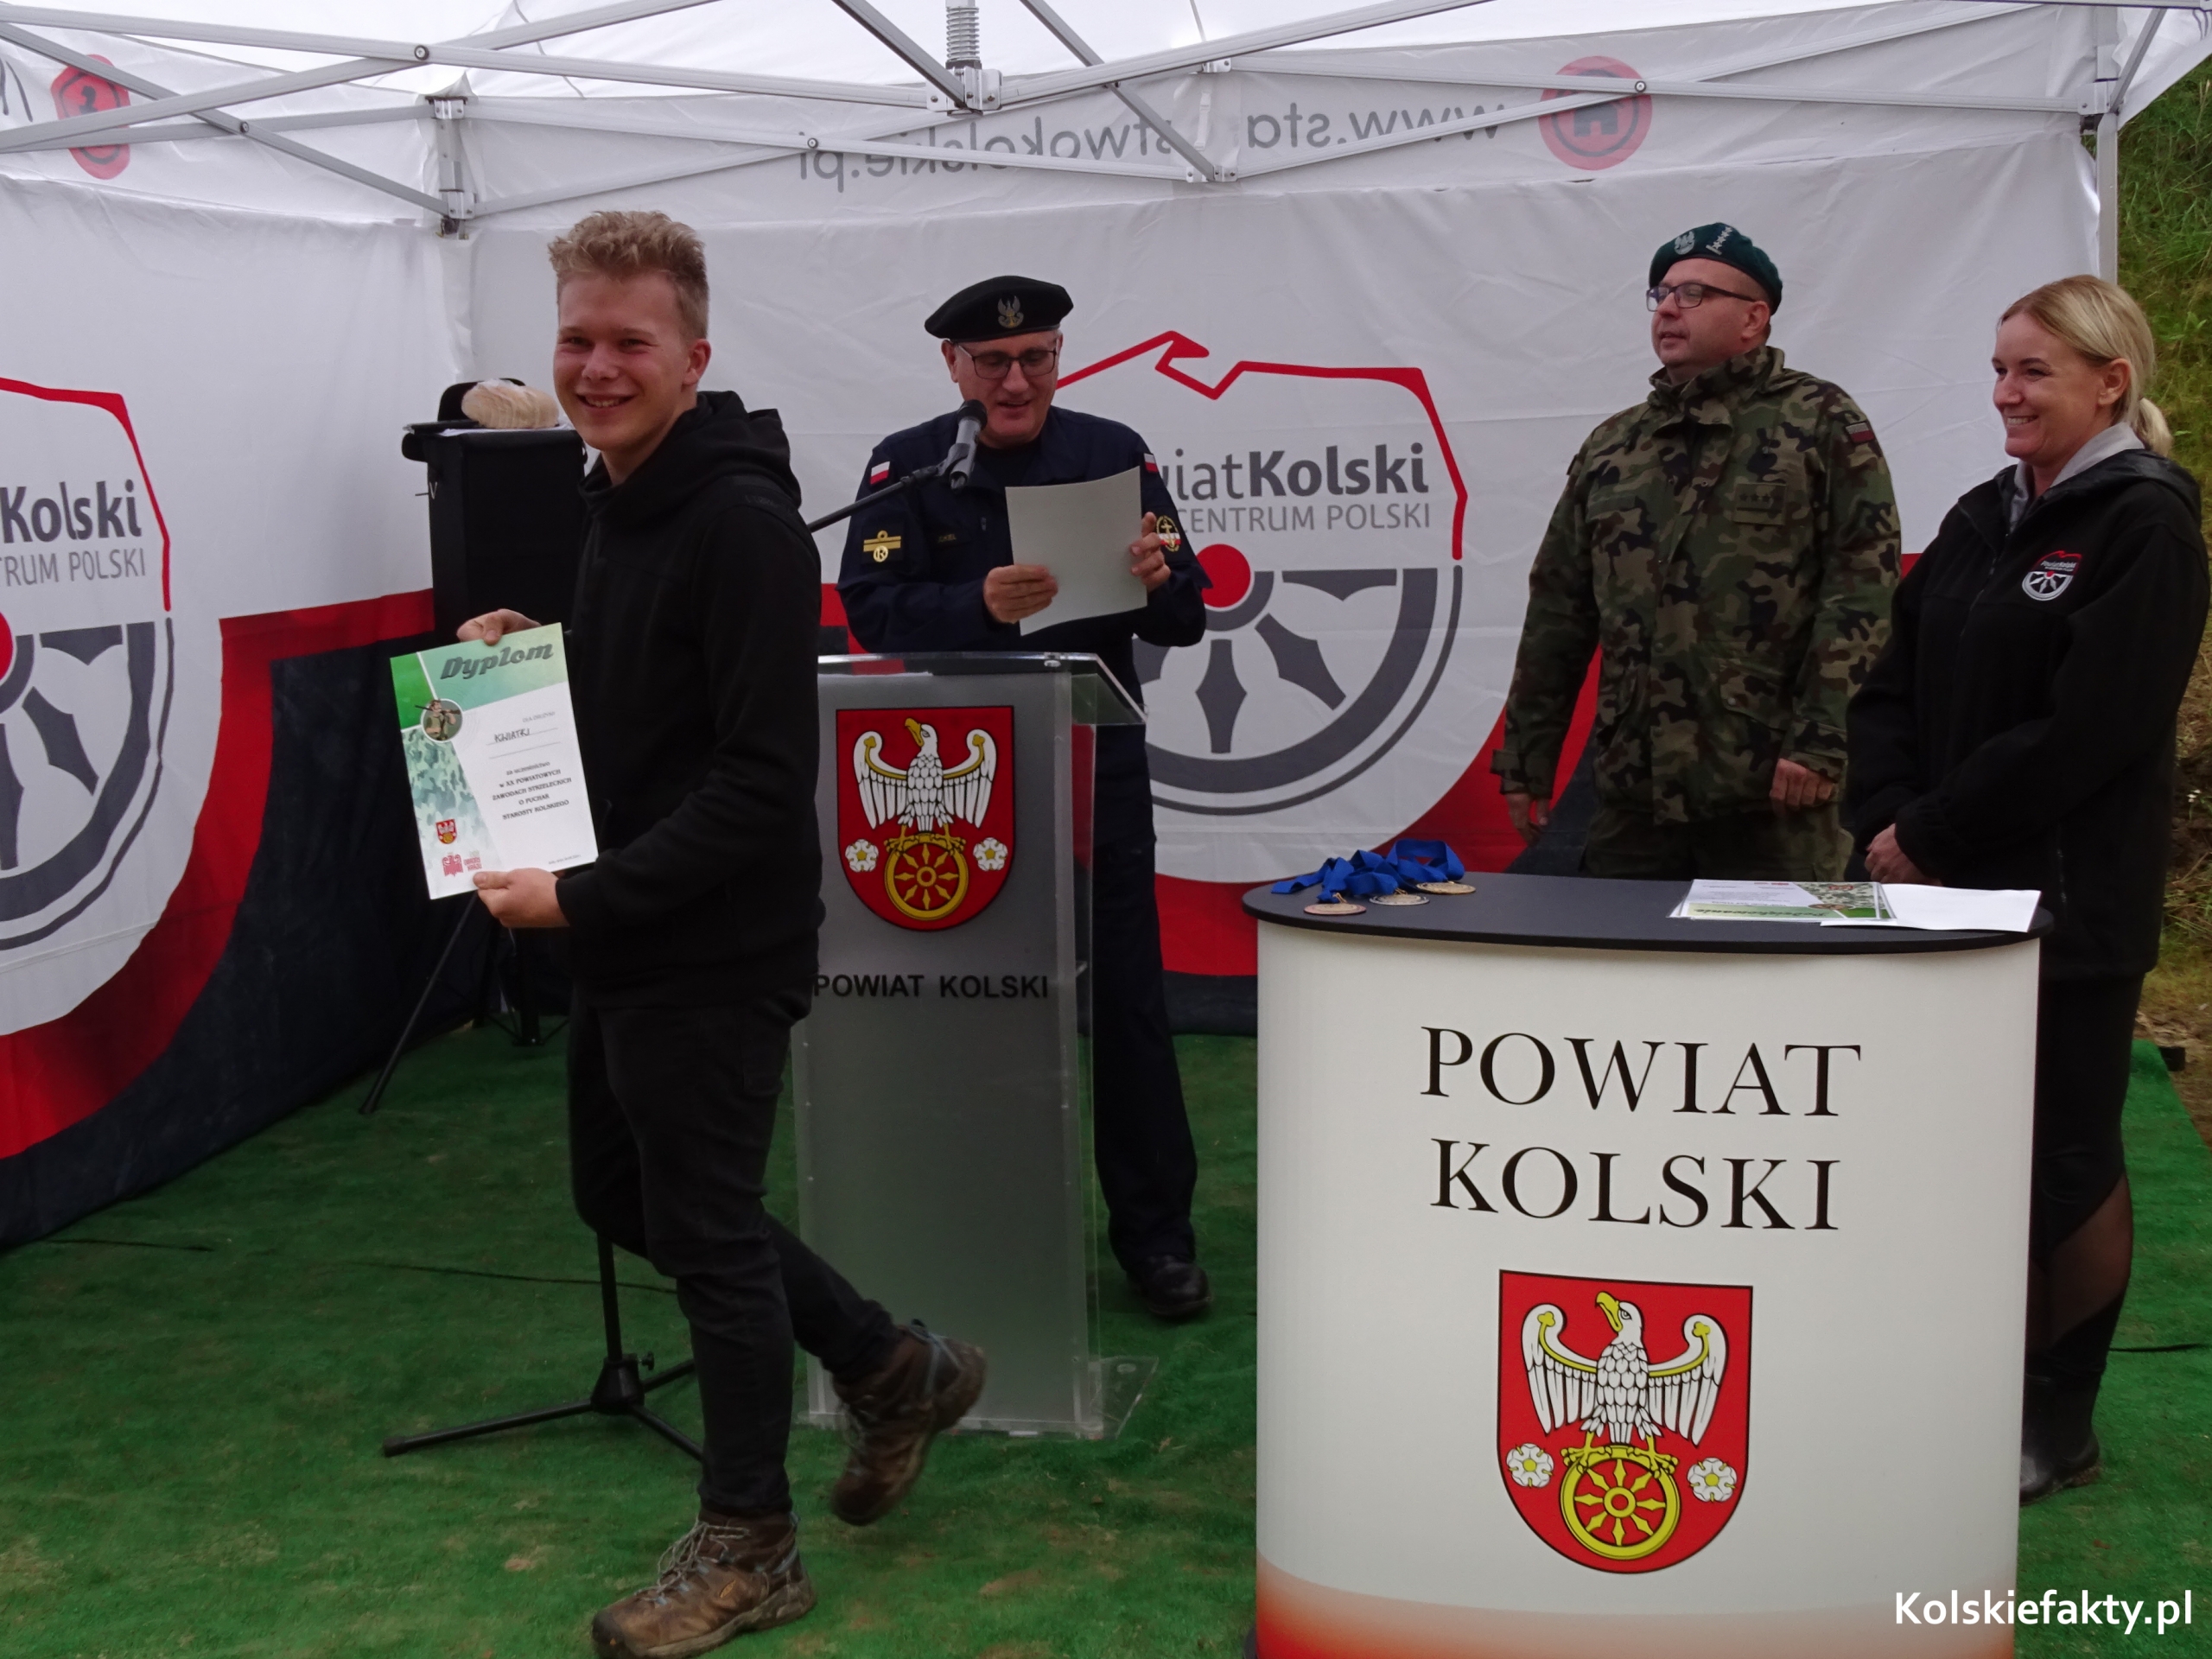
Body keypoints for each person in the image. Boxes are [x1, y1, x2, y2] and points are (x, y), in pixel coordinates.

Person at [461, 210, 985, 1658]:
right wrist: (534, 656)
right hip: (630, 930)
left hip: (708, 943)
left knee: (704, 1232)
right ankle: (892, 1365)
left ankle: (753, 1546)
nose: (596, 367)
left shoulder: (739, 521)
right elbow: (657, 688)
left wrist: (576, 899)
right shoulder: (622, 495)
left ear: (694, 355)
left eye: (629, 343)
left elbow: (758, 783)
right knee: (624, 1194)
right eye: (576, 339)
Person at [1847, 275, 2208, 1504]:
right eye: (1999, 368)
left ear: (2111, 383)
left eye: (2033, 371)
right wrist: (1888, 818)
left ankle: (2059, 1416)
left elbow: (2089, 729)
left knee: (2063, 1159)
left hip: (2065, 906)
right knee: (1963, 1156)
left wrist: (1933, 829)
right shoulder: (1983, 513)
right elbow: (1889, 684)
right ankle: (1975, 1389)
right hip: (1938, 894)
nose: (2004, 392)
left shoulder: (2144, 525)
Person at [836, 276, 1213, 1321]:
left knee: (1127, 1002)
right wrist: (978, 603)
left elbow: (1188, 617)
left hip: (1095, 760)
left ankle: (1156, 1241)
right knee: (972, 1001)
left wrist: (1159, 581)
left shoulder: (1113, 453)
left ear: (1058, 358)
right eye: (992, 362)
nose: (1015, 381)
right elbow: (870, 612)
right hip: (960, 777)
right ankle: (977, 1227)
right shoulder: (910, 465)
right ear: (952, 365)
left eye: (1035, 358)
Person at [1495, 223, 1902, 878]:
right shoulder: (1616, 445)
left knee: (1777, 946)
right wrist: (1527, 759)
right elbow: (1558, 612)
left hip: (1771, 792)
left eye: (1693, 293)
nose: (1668, 309)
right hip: (1634, 795)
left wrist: (1822, 741)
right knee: (1624, 945)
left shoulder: (1820, 422)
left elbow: (1862, 593)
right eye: (1661, 293)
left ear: (1753, 319)